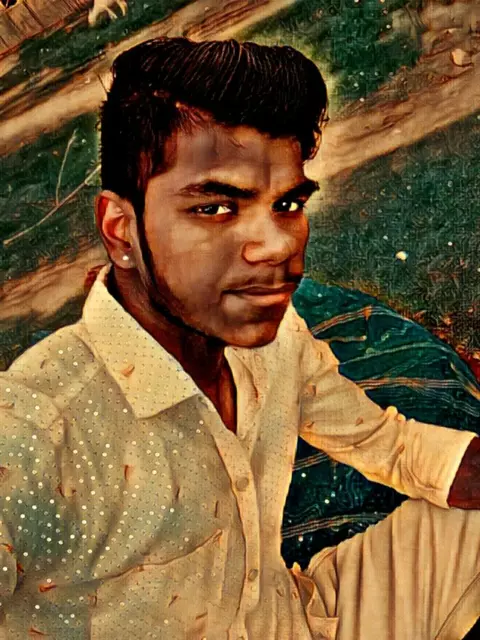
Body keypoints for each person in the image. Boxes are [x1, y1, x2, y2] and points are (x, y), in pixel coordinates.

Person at [0, 37, 478, 640]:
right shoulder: (38, 429)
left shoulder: (277, 340)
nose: (277, 246)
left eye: (288, 204)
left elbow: (386, 443)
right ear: (121, 231)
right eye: (216, 208)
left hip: (304, 622)